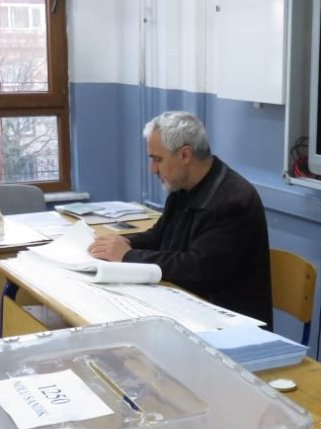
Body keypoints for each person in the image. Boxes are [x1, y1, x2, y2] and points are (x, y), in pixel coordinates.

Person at [88, 111, 273, 327]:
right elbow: (159, 235)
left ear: (185, 155)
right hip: (186, 307)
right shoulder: (182, 187)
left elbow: (197, 269)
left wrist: (128, 255)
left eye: (158, 159)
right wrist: (123, 243)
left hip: (227, 324)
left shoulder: (233, 200)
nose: (152, 169)